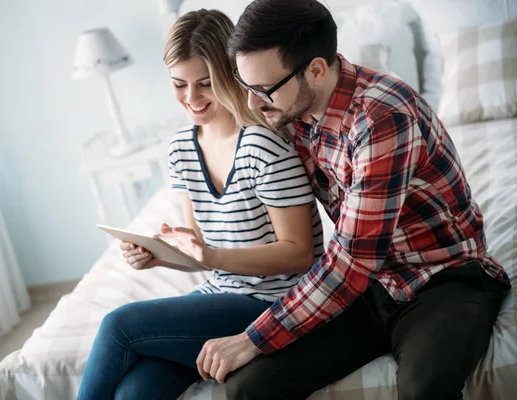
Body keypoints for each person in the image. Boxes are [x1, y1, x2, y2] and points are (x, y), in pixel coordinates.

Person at [193, 1, 512, 399]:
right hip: (369, 287)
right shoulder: (289, 108)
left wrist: (254, 337)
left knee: (423, 389)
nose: (254, 103)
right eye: (246, 87)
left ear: (315, 69)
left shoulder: (382, 115)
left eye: (263, 90)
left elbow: (354, 258)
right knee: (249, 386)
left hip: (440, 277)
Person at [76, 9, 324, 400]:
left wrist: (210, 258)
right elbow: (198, 249)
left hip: (276, 303)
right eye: (179, 84)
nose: (191, 98)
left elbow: (299, 255)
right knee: (133, 394)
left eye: (205, 84)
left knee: (119, 326)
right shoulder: (180, 149)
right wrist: (158, 256)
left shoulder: (265, 146)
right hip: (219, 293)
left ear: (230, 76)